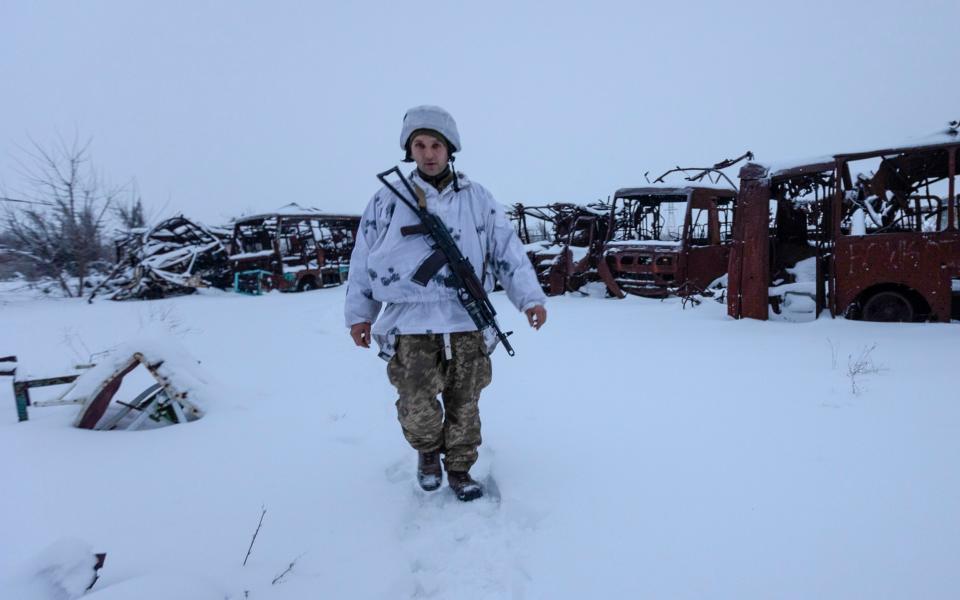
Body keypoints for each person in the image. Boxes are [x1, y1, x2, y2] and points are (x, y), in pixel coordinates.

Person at [344, 105, 547, 501]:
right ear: (410, 151)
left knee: (465, 401)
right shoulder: (387, 200)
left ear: (450, 148)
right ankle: (426, 452)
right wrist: (359, 315)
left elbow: (506, 251)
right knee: (416, 403)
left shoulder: (477, 199)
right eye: (419, 145)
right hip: (409, 322)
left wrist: (529, 299)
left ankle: (459, 468)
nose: (428, 153)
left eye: (435, 144)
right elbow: (362, 259)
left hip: (465, 317)